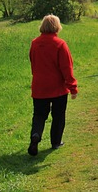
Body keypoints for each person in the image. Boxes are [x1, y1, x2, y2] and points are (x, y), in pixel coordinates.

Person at [28, 14, 78, 156]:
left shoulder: (34, 43)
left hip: (39, 86)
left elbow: (33, 63)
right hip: (58, 89)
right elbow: (66, 68)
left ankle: (36, 135)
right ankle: (56, 142)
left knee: (39, 115)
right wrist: (72, 87)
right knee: (58, 115)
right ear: (57, 26)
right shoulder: (60, 44)